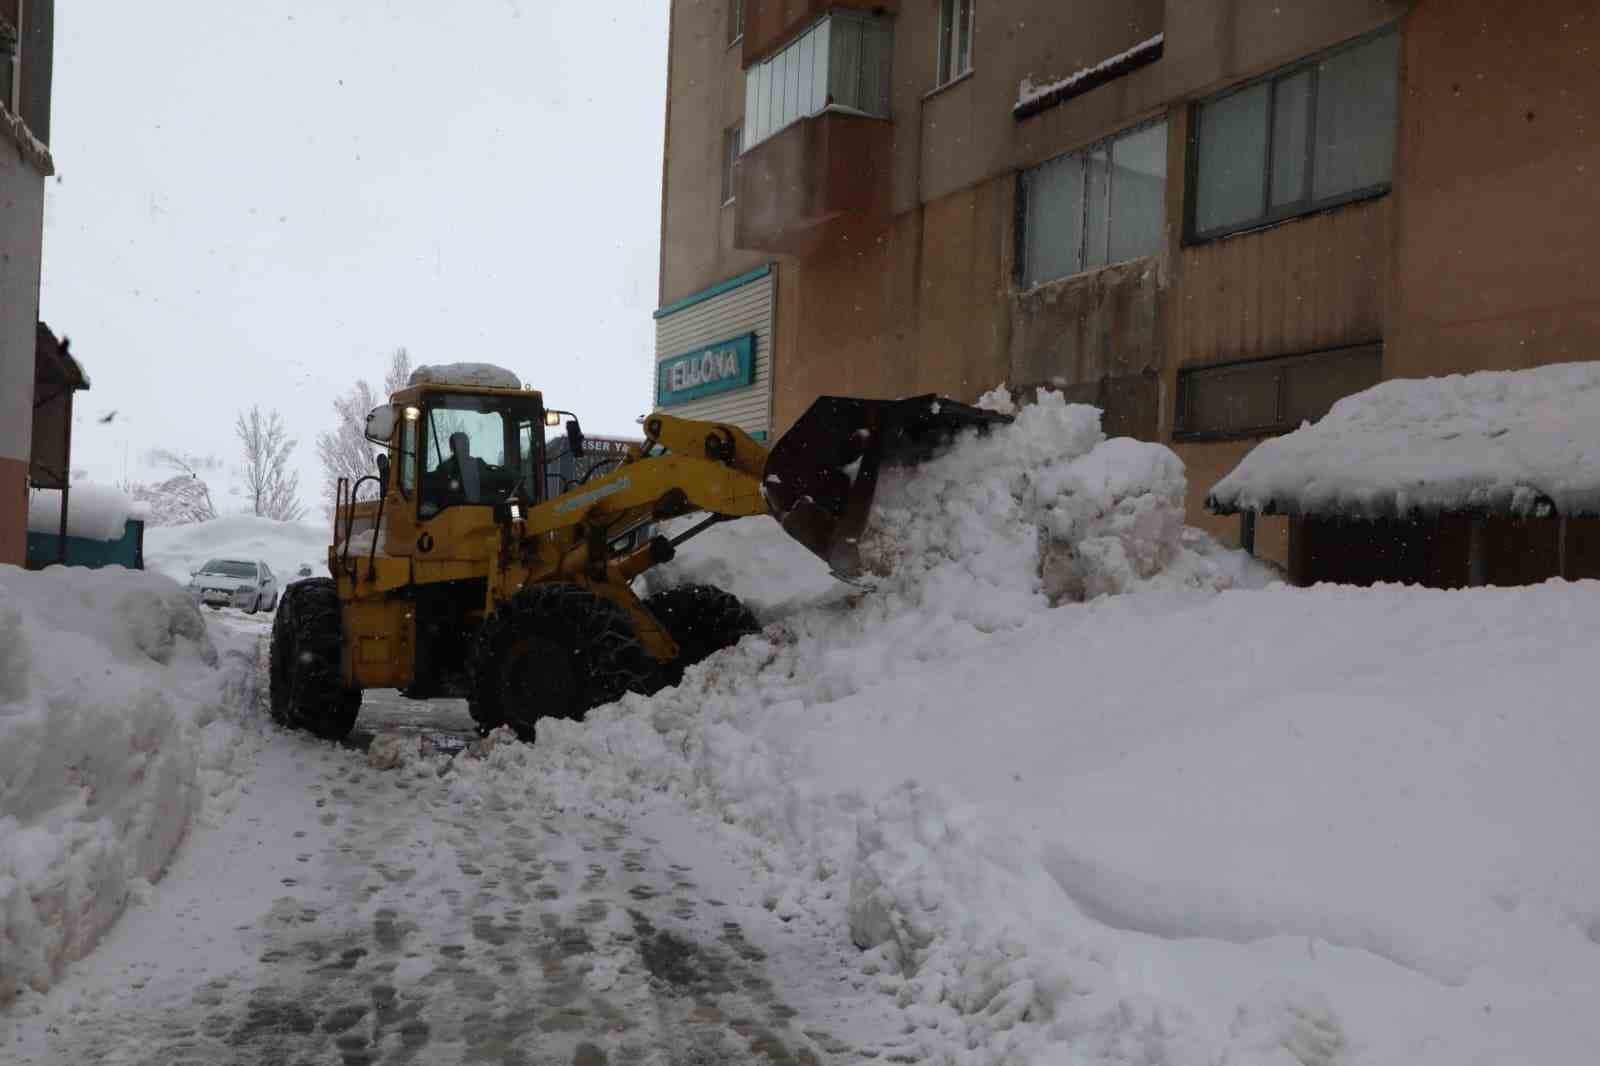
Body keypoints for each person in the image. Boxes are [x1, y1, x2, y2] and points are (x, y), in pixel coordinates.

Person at [436, 431, 490, 504]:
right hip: (452, 510)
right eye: (460, 444)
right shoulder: (444, 468)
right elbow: (442, 496)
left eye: (466, 444)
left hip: (480, 508)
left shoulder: (479, 464)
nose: (464, 447)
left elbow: (490, 483)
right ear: (452, 447)